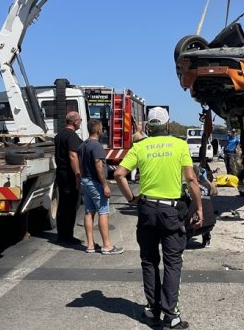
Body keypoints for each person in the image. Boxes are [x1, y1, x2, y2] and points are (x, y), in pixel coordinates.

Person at [114, 106, 202, 329]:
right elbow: (191, 180)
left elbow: (118, 174)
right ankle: (170, 315)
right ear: (167, 125)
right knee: (173, 263)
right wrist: (199, 206)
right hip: (171, 212)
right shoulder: (179, 145)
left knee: (149, 261)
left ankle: (152, 310)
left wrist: (131, 198)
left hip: (146, 210)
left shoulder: (140, 147)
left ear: (149, 127)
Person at [78, 119, 123, 255]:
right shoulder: (96, 146)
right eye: (102, 128)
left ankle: (90, 245)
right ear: (98, 130)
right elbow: (99, 167)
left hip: (85, 181)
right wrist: (105, 185)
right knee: (103, 212)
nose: (103, 131)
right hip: (96, 183)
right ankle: (107, 245)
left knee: (88, 212)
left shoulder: (82, 146)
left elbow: (80, 165)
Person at [53, 111, 83, 245]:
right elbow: (73, 156)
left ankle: (61, 234)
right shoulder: (71, 135)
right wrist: (77, 174)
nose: (81, 122)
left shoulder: (59, 134)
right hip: (69, 175)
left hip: (60, 173)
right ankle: (68, 236)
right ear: (75, 122)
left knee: (63, 205)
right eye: (80, 120)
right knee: (71, 205)